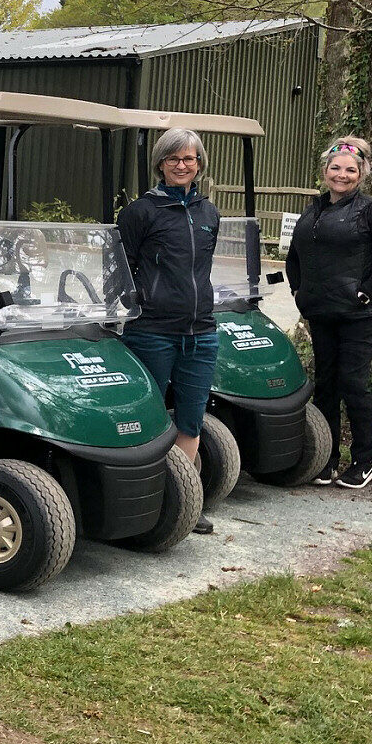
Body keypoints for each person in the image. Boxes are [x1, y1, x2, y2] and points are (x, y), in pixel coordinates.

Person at [118, 127, 220, 534]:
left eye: (189, 159)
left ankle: (184, 503)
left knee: (191, 419)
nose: (182, 165)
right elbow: (120, 270)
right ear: (160, 164)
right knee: (149, 418)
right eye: (174, 159)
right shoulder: (141, 212)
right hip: (153, 331)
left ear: (199, 165)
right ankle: (144, 502)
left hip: (201, 332)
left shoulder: (209, 212)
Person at [285, 136, 372, 489]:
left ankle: (365, 460)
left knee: (353, 385)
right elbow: (296, 254)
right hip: (321, 312)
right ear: (325, 171)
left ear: (361, 173)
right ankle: (327, 458)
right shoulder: (314, 209)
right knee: (326, 386)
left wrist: (364, 294)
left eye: (350, 170)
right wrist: (297, 289)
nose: (342, 175)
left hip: (358, 316)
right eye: (335, 168)